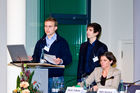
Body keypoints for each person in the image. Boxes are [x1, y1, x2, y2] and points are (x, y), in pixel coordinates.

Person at [32, 17, 72, 93]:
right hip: (41, 77)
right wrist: (31, 59)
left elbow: (69, 58)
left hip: (56, 77)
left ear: (55, 28)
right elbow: (36, 57)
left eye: (50, 26)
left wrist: (60, 61)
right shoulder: (40, 42)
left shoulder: (62, 42)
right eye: (45, 26)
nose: (47, 29)